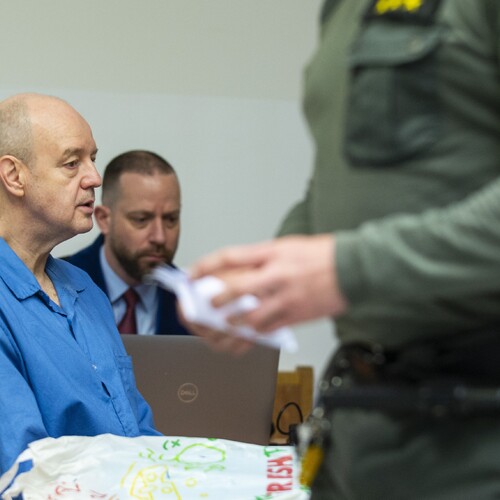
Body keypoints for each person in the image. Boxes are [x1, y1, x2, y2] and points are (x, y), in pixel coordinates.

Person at [184, 1, 500, 498]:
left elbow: (346, 259)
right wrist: (266, 278)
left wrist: (347, 269)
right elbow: (333, 189)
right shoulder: (339, 10)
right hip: (363, 418)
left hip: (475, 435)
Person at [0, 93, 160, 476]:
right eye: (72, 163)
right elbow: (25, 471)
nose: (95, 178)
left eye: (92, 159)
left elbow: (140, 432)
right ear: (14, 177)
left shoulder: (85, 289)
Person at [65, 150, 190, 335]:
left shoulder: (194, 304)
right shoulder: (57, 286)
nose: (160, 237)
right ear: (104, 219)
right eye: (141, 219)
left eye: (170, 219)